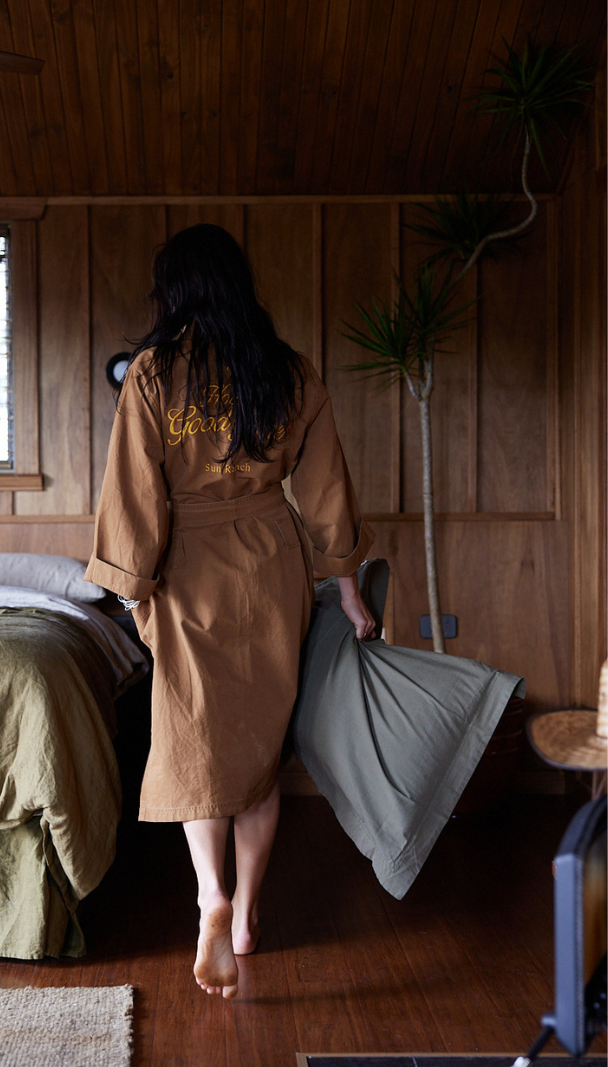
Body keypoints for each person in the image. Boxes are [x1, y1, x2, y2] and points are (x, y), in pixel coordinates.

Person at [86, 223, 377, 998]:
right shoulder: (285, 371)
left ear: (174, 290)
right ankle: (246, 916)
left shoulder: (152, 372)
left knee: (195, 741)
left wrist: (128, 582)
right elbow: (323, 489)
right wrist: (345, 583)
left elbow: (135, 488)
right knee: (258, 751)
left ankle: (208, 895)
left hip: (189, 566)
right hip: (270, 562)